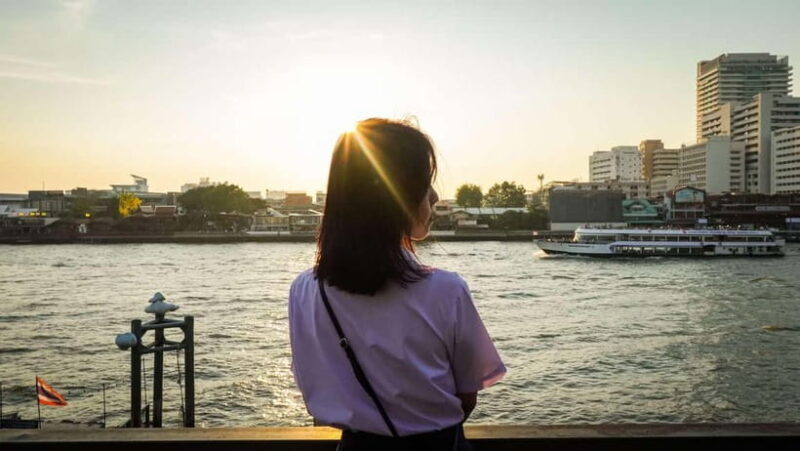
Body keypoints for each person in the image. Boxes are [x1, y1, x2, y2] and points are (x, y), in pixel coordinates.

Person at [289, 118, 506, 450]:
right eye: (425, 182)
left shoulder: (305, 290)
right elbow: (466, 399)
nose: (434, 196)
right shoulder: (445, 290)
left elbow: (315, 387)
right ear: (393, 194)